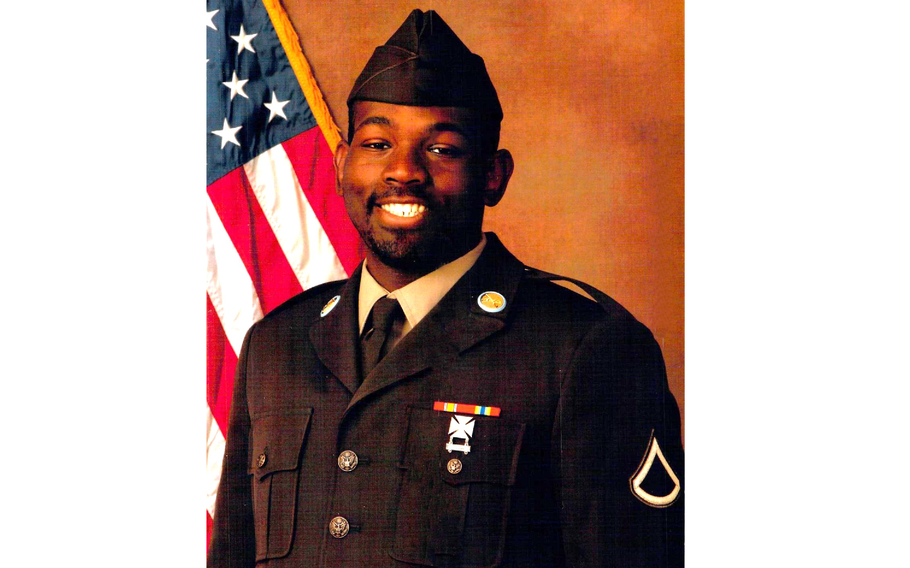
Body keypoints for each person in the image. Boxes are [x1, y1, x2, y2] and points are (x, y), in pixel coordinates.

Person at [209, 9, 683, 567]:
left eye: (442, 149)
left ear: (493, 175)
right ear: (341, 166)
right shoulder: (277, 344)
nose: (402, 171)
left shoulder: (586, 349)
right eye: (377, 144)